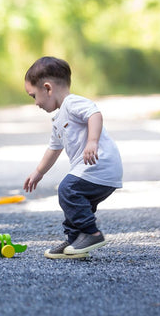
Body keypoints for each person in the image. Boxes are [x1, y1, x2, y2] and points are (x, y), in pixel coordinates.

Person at [23, 56, 123, 259]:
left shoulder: (72, 103)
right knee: (74, 203)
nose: (36, 103)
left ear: (48, 88)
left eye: (34, 96)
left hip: (99, 164)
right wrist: (39, 172)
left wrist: (92, 141)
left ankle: (92, 234)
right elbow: (53, 148)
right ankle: (76, 241)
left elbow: (94, 114)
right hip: (93, 170)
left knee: (67, 190)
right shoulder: (58, 118)